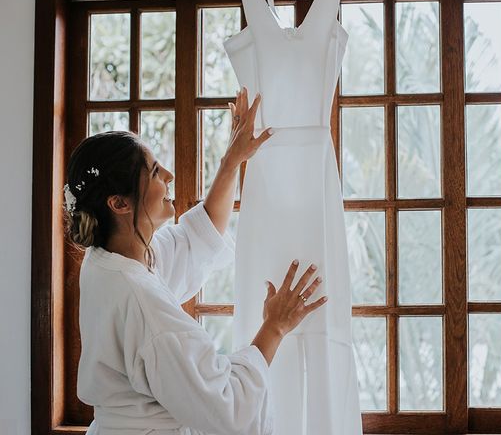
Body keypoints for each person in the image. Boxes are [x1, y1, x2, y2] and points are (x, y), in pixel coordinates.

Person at [66, 87, 327, 435]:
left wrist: (231, 161)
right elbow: (226, 408)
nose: (169, 176)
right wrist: (275, 326)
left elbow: (198, 237)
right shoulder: (142, 302)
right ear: (119, 203)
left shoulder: (109, 259)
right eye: (156, 171)